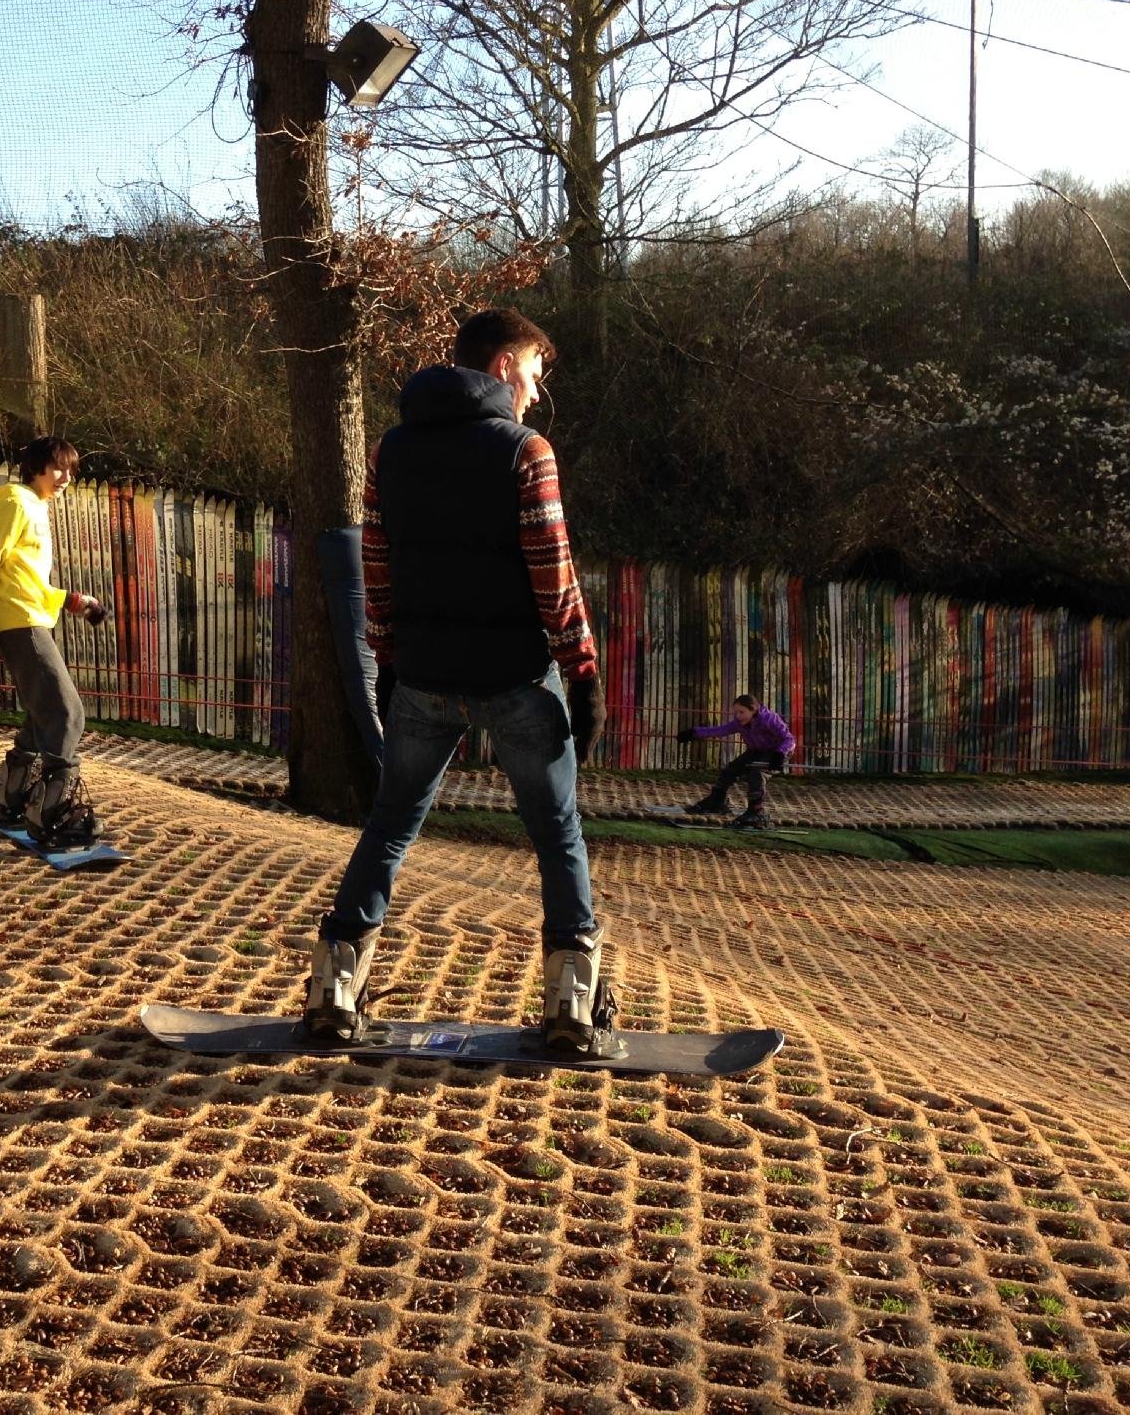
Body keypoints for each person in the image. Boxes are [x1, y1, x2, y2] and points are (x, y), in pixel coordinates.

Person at [302, 307, 615, 1057]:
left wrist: (384, 663)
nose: (537, 393)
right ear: (505, 366)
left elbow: (374, 567)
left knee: (390, 825)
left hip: (425, 679)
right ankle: (571, 1008)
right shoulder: (526, 451)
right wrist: (583, 671)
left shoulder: (392, 450)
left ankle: (333, 993)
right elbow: (552, 569)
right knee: (557, 835)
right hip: (516, 678)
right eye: (535, 373)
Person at [0, 436, 107, 847]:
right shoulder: (14, 502)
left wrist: (72, 600)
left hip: (29, 619)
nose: (65, 477)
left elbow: (26, 581)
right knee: (67, 713)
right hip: (19, 625)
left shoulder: (34, 507)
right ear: (36, 468)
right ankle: (53, 814)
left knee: (42, 714)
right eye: (57, 468)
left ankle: (8, 797)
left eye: (70, 470)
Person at [677, 694, 796, 829]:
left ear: (753, 709)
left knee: (756, 773)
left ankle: (757, 811)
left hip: (776, 752)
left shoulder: (769, 719)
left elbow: (789, 740)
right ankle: (716, 801)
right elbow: (721, 730)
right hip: (756, 751)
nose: (738, 716)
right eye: (736, 713)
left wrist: (780, 754)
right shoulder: (740, 723)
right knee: (731, 769)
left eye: (742, 712)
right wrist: (693, 733)